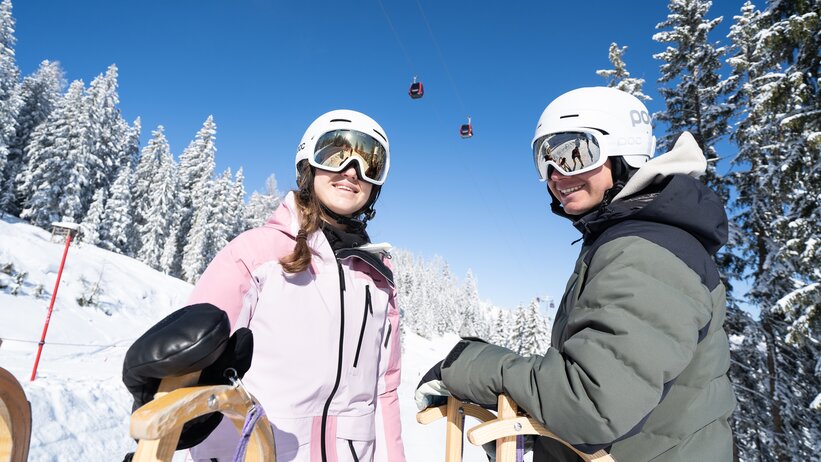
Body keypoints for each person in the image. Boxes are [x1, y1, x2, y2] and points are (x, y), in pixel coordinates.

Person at [415, 87, 736, 461]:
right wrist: (537, 431)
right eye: (545, 159)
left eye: (574, 153)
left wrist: (467, 366)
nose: (555, 174)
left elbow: (591, 403)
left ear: (623, 152)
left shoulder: (646, 252)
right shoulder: (636, 242)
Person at [123, 110, 405, 462]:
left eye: (369, 163)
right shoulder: (257, 252)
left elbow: (386, 389)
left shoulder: (377, 278)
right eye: (335, 154)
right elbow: (192, 360)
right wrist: (161, 429)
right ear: (309, 164)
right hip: (260, 450)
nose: (352, 170)